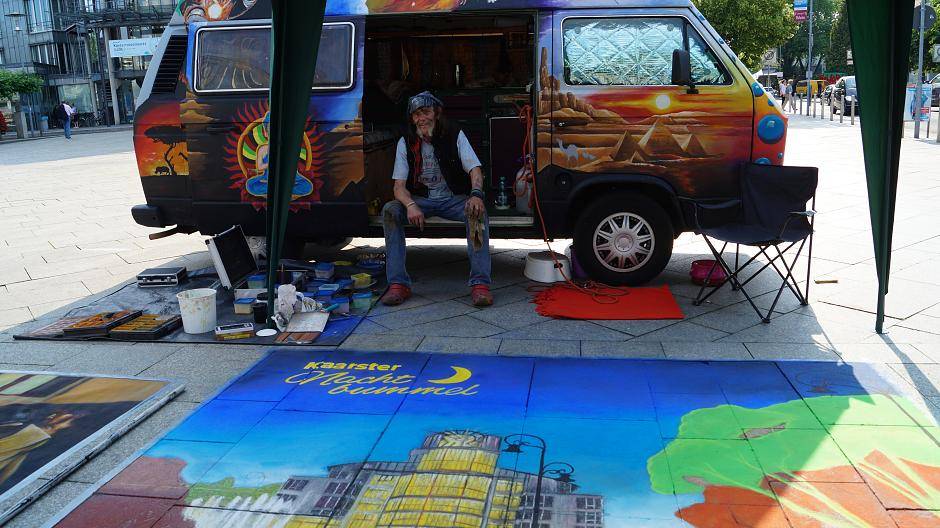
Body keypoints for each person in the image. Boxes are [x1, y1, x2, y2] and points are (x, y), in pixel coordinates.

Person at [380, 91, 493, 308]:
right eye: (416, 114)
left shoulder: (454, 133)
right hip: (420, 201)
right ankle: (398, 284)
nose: (421, 118)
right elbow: (398, 187)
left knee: (477, 212)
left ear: (437, 113)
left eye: (426, 112)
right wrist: (410, 205)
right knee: (390, 210)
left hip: (452, 199)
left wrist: (476, 195)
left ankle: (480, 284)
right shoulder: (406, 141)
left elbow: (475, 169)